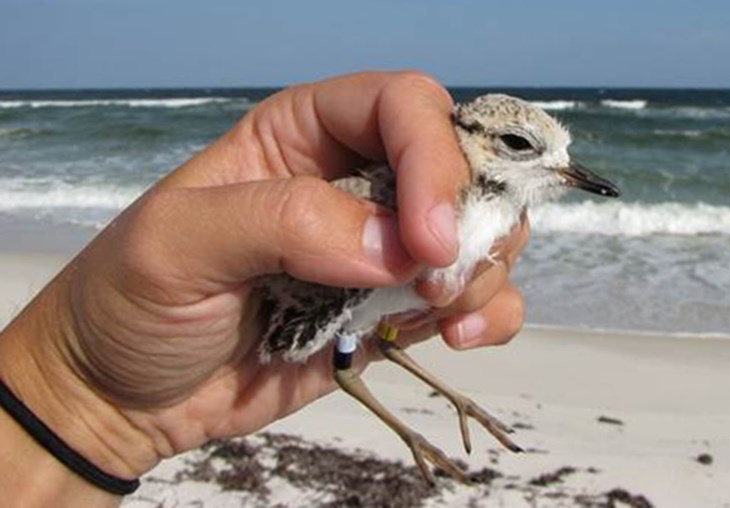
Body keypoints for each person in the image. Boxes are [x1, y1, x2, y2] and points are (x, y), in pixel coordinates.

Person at [0, 71, 529, 506]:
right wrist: (83, 393)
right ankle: (415, 428)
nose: (562, 170)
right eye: (519, 147)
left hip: (92, 431)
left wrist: (78, 400)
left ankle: (452, 403)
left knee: (387, 333)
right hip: (317, 316)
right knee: (358, 346)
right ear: (477, 139)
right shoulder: (394, 200)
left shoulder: (488, 212)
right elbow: (309, 341)